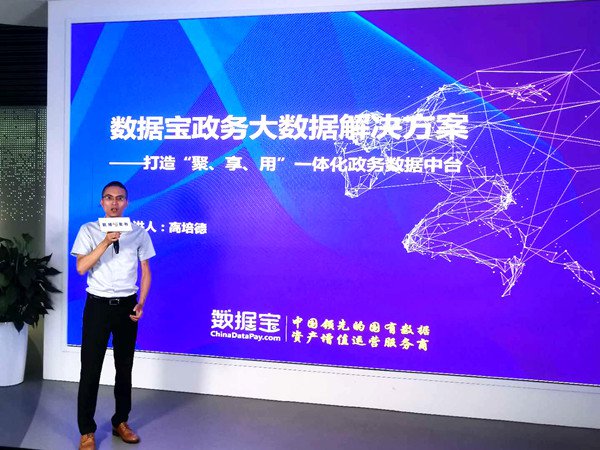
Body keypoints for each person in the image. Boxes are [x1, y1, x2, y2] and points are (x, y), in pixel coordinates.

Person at [71, 181, 155, 450]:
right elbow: (81, 267)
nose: (114, 203)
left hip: (126, 306)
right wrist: (106, 241)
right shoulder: (88, 230)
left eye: (119, 198)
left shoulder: (138, 232)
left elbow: (146, 271)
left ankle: (121, 421)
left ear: (126, 203)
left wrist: (141, 303)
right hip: (97, 306)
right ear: (102, 202)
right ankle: (86, 431)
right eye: (109, 198)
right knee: (90, 368)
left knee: (124, 367)